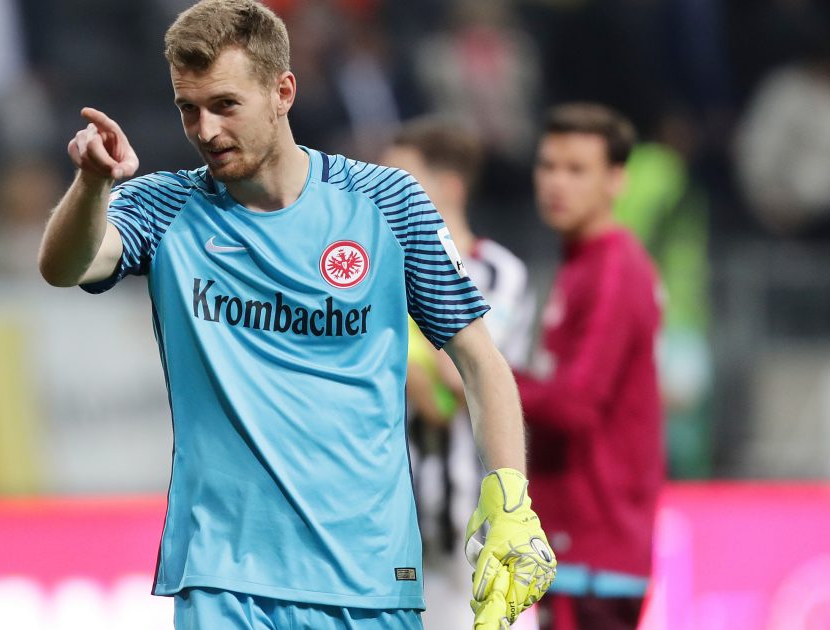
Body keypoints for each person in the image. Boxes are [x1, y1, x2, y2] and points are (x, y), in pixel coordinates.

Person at [37, 1, 555, 628]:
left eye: (225, 105)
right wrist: (92, 184)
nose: (205, 130)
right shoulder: (166, 207)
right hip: (222, 575)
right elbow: (67, 266)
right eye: (188, 110)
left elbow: (479, 359)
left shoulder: (386, 203)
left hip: (368, 574)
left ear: (282, 90)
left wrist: (509, 499)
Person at [382, 119, 537, 630]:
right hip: (396, 532)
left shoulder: (498, 273)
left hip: (478, 533)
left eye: (400, 179)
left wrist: (400, 334)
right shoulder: (375, 271)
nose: (382, 193)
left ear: (447, 187)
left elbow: (461, 379)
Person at [516, 103, 663, 630]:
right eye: (547, 166)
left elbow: (575, 406)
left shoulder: (614, 268)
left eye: (577, 169)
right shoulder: (581, 262)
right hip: (575, 542)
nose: (556, 183)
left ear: (615, 180)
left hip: (596, 546)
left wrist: (484, 375)